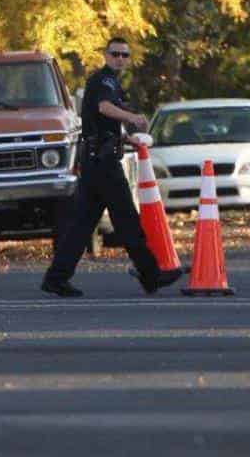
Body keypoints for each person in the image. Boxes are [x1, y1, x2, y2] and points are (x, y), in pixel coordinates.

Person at [41, 38, 183, 298]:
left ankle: (56, 278)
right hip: (103, 163)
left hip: (97, 160)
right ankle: (151, 275)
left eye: (125, 55)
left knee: (82, 225)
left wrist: (126, 138)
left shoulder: (111, 83)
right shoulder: (104, 81)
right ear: (105, 55)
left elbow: (101, 123)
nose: (120, 59)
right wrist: (134, 119)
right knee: (127, 219)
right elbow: (103, 108)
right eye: (115, 54)